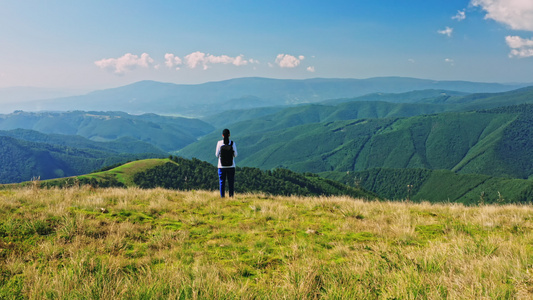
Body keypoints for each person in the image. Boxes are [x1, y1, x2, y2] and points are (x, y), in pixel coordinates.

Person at [215, 128, 238, 197]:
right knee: (231, 182)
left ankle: (222, 197)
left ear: (222, 135)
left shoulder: (219, 143)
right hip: (231, 166)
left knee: (222, 182)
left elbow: (216, 155)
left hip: (221, 166)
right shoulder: (232, 143)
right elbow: (236, 155)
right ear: (229, 135)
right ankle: (231, 196)